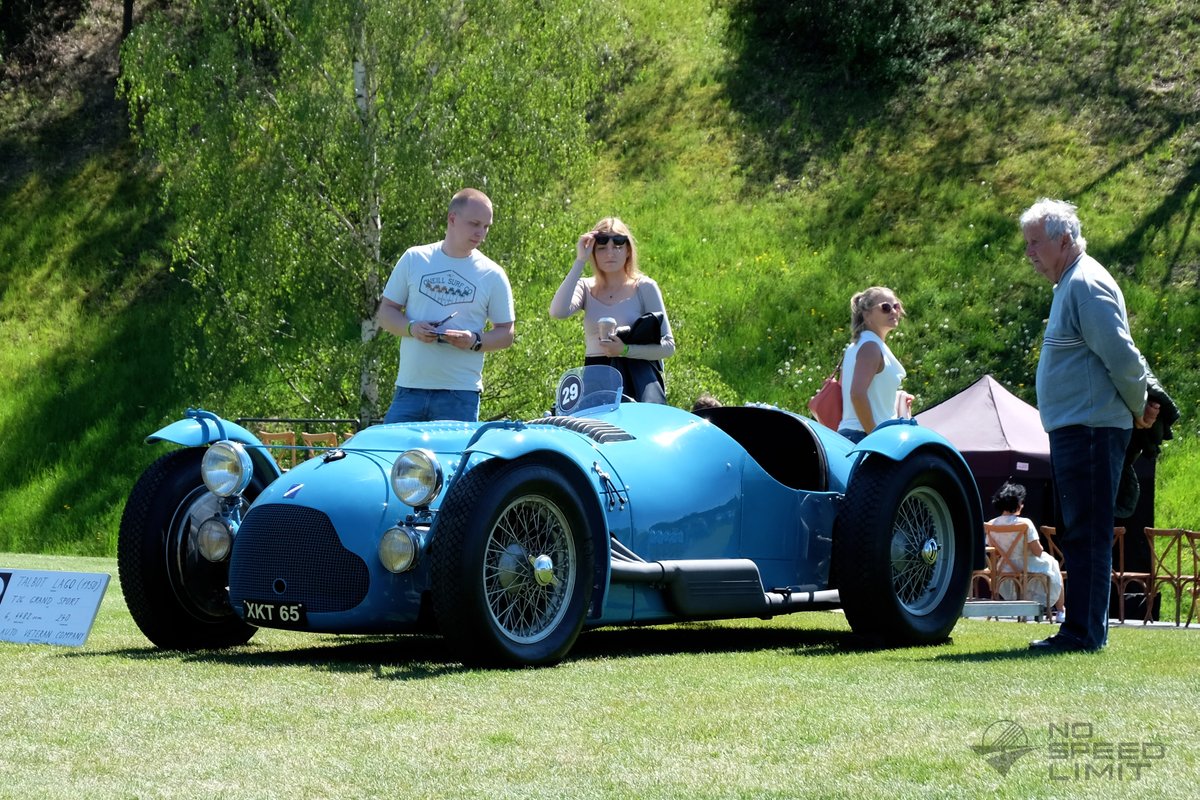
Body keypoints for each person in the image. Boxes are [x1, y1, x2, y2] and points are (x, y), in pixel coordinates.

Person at [1020, 198, 1152, 653]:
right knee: (1082, 535)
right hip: (1081, 429)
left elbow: (1120, 354)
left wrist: (1140, 406)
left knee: (1087, 536)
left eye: (1035, 243)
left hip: (1093, 431)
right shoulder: (1073, 284)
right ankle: (1081, 630)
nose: (1030, 254)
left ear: (1063, 239)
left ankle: (1083, 634)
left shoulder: (1087, 283)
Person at [377, 188, 515, 423]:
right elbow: (386, 313)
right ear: (452, 219)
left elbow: (506, 333)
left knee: (452, 461)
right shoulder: (414, 258)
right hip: (409, 389)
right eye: (474, 224)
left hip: (460, 394)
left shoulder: (493, 274)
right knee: (395, 458)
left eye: (486, 226)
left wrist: (474, 341)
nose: (481, 233)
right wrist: (413, 328)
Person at [549, 217, 675, 403]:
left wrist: (624, 350)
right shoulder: (585, 287)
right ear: (593, 252)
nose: (610, 253)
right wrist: (579, 261)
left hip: (637, 380)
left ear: (628, 251)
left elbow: (668, 346)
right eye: (601, 247)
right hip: (595, 380)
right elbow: (557, 312)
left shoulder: (645, 287)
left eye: (617, 246)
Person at [836, 286, 913, 443]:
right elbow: (856, 394)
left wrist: (897, 398)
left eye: (896, 306)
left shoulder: (860, 345)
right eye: (885, 307)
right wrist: (874, 436)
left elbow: (848, 389)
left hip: (854, 436)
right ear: (867, 315)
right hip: (863, 436)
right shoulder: (871, 346)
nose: (893, 311)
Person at [987, 481, 1065, 623]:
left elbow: (994, 551)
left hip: (1005, 567)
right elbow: (1036, 551)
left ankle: (1027, 608)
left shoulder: (991, 524)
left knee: (1041, 566)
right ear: (1018, 504)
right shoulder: (1025, 523)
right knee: (1053, 564)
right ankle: (1060, 611)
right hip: (1027, 564)